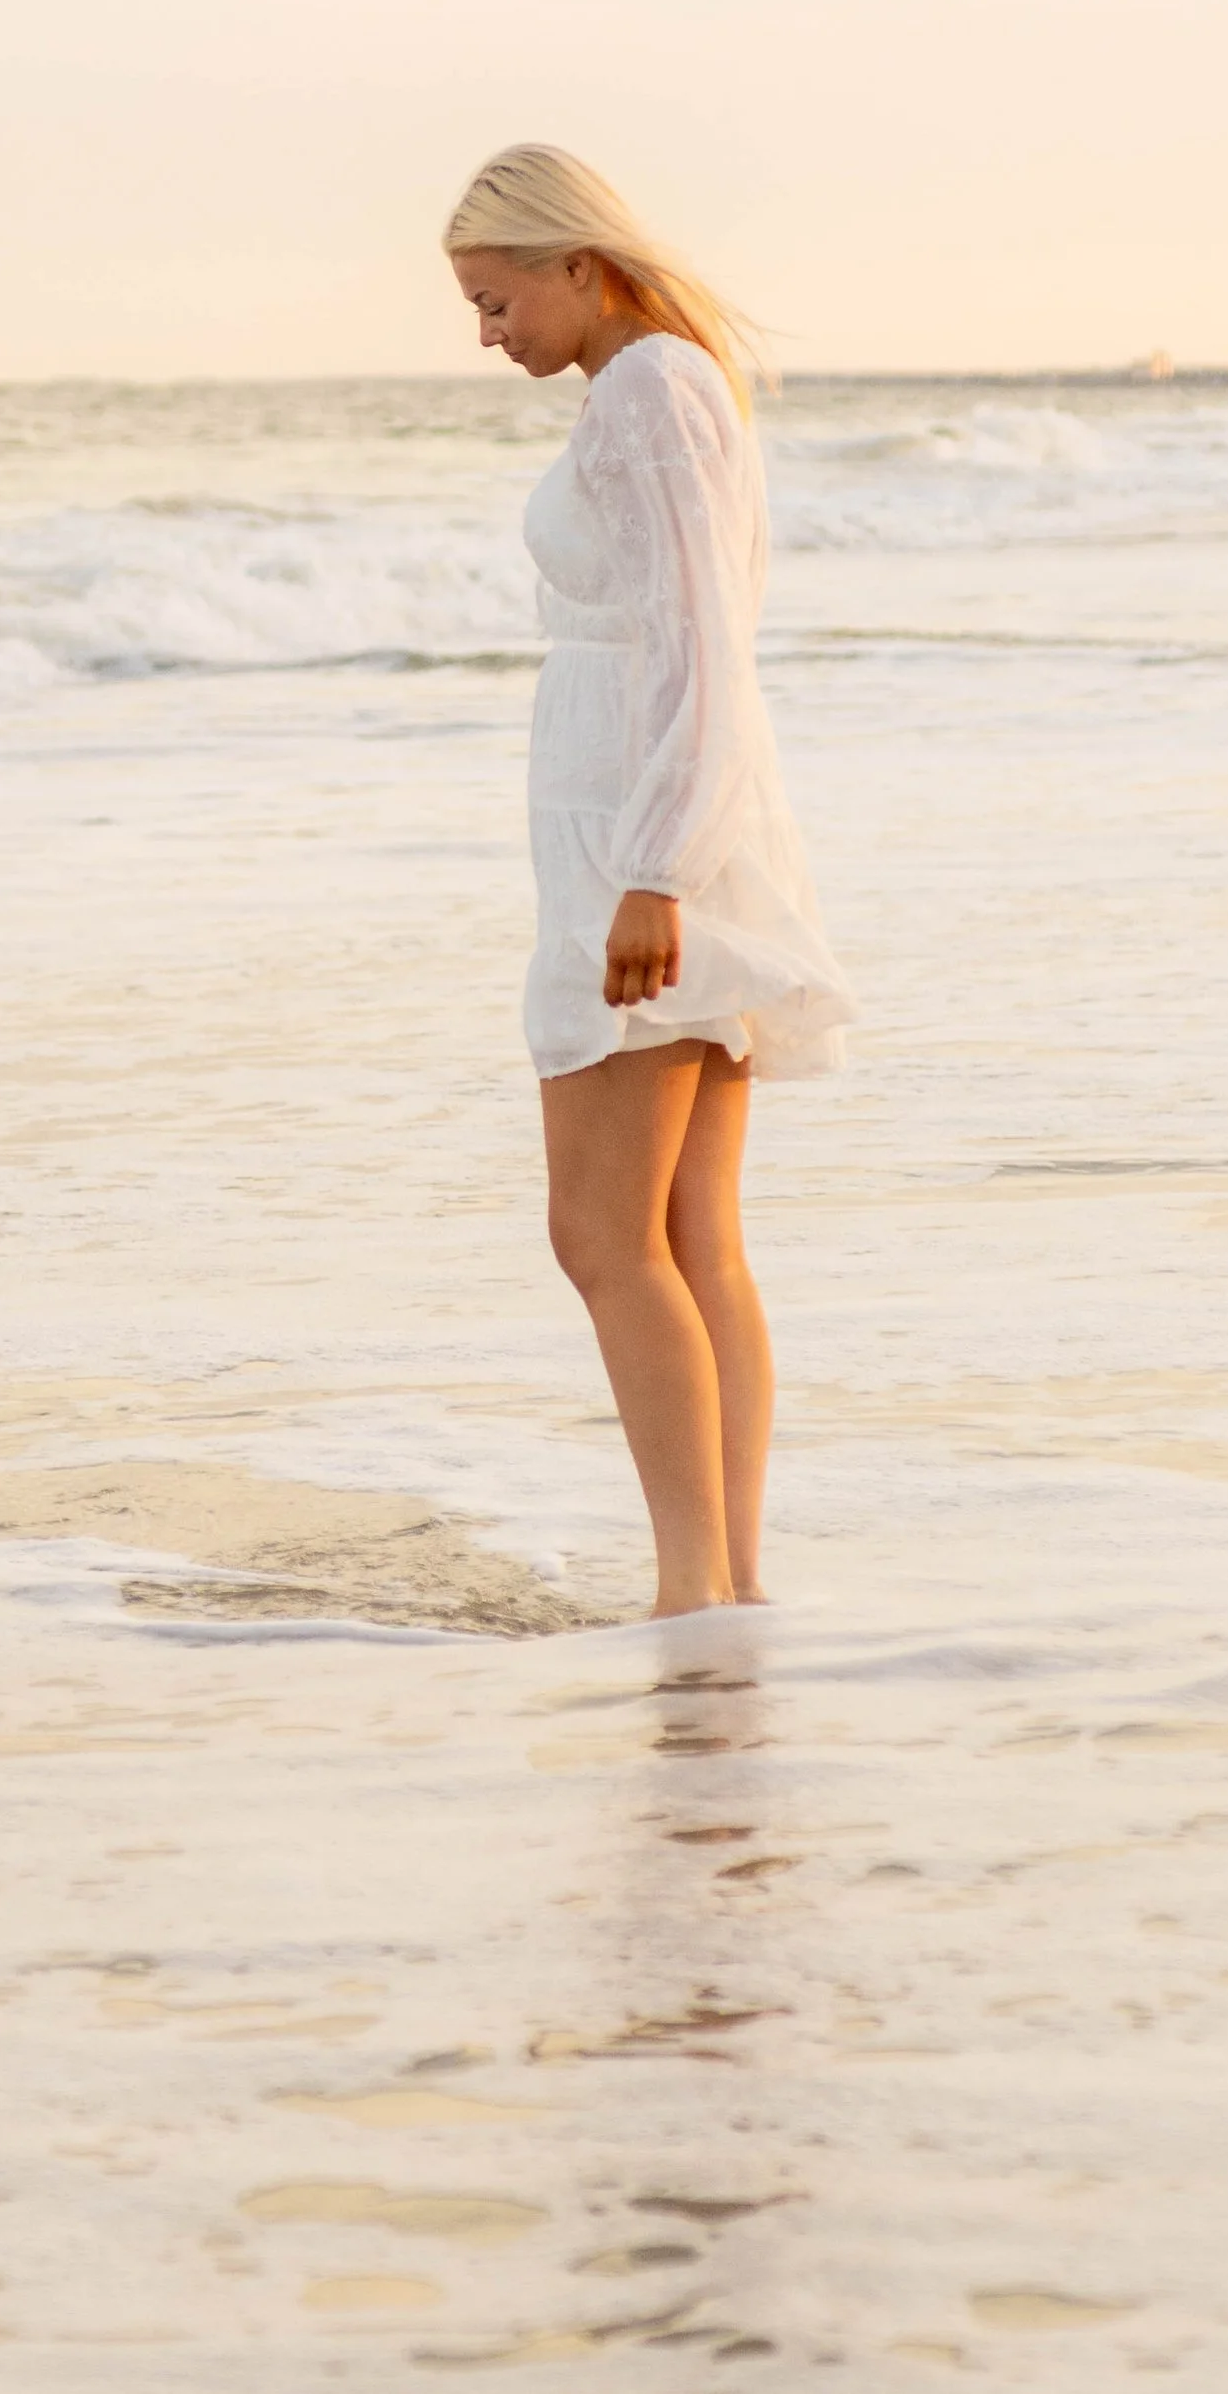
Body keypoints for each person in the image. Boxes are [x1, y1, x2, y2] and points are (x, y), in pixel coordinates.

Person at [444, 145, 854, 1617]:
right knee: (686, 1235)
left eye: (497, 303)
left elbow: (697, 642)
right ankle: (723, 1586)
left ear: (574, 261)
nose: (491, 338)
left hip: (645, 838)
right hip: (654, 831)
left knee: (602, 1233)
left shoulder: (643, 395)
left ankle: (693, 1586)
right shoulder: (669, 384)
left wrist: (653, 871)